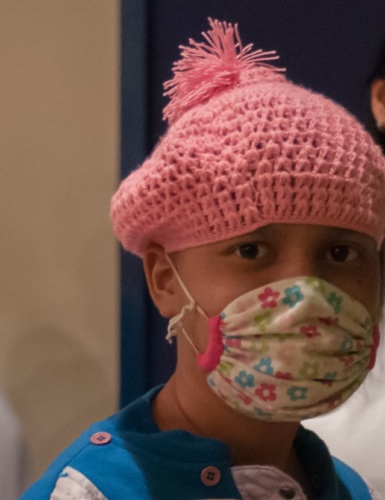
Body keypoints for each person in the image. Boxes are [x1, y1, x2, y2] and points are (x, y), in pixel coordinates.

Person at [21, 19, 385, 499]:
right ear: (164, 279)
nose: (306, 292)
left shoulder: (346, 488)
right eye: (251, 250)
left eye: (341, 253)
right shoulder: (94, 492)